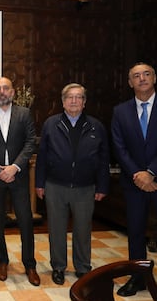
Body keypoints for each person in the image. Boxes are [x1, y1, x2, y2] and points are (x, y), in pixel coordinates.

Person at [35, 83, 109, 285]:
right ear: (63, 101)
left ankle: (83, 268)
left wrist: (102, 186)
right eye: (70, 97)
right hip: (55, 186)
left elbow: (103, 159)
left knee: (83, 230)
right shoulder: (51, 124)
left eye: (78, 97)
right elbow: (41, 157)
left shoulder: (96, 126)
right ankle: (58, 267)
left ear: (84, 102)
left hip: (85, 188)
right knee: (56, 229)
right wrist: (39, 183)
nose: (74, 101)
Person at [0, 76, 40, 286]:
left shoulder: (24, 114)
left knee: (26, 220)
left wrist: (14, 167)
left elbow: (30, 142)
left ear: (12, 92)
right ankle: (1, 261)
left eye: (6, 88)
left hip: (18, 176)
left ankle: (30, 264)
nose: (2, 92)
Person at [111, 62, 157, 297]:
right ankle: (138, 278)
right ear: (130, 83)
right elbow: (119, 147)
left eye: (146, 74)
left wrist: (152, 172)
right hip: (134, 181)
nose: (142, 79)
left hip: (156, 178)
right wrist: (138, 174)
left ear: (154, 78)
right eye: (136, 76)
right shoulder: (121, 111)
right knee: (136, 232)